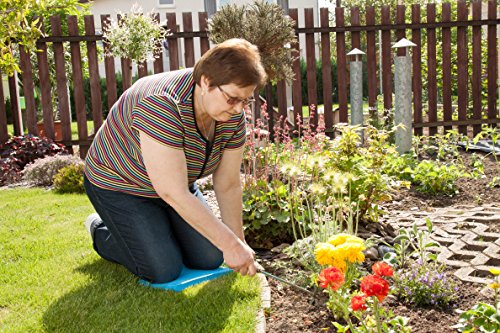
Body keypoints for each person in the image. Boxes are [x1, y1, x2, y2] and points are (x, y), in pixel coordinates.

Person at [83, 38, 267, 283]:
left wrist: (237, 243)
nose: (238, 109)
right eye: (233, 99)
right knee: (163, 268)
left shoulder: (230, 115)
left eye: (246, 100)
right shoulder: (161, 104)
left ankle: (155, 231)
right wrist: (229, 243)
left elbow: (228, 183)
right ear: (206, 82)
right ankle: (102, 230)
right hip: (120, 185)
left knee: (210, 257)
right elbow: (172, 193)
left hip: (175, 184)